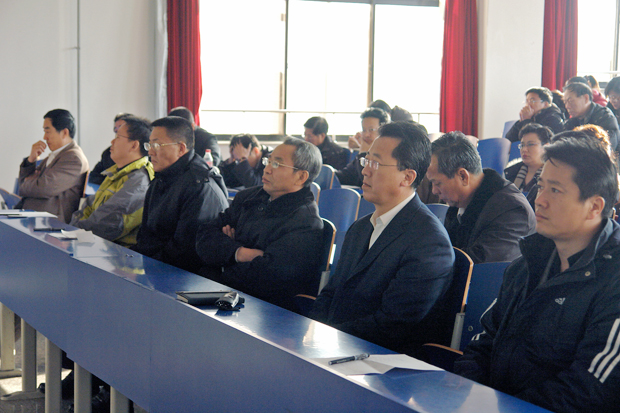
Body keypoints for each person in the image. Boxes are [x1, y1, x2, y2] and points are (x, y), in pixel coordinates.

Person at [454, 134, 620, 413]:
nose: (539, 200)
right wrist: (472, 395)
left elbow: (589, 390)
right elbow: (484, 342)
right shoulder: (528, 263)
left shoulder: (613, 280)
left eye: (555, 190)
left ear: (594, 206)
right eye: (541, 186)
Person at [310, 121, 455, 356]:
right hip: (335, 349)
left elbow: (391, 326)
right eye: (366, 161)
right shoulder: (359, 228)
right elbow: (330, 294)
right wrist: (311, 333)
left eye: (375, 164)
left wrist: (327, 340)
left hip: (381, 363)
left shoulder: (429, 243)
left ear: (407, 177)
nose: (365, 171)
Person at [196, 138, 324, 311]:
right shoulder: (247, 197)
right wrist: (239, 253)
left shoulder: (306, 222)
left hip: (263, 311)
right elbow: (204, 237)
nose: (267, 169)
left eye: (277, 164)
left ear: (301, 177)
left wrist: (222, 259)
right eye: (268, 161)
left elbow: (266, 279)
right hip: (220, 291)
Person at [133, 116, 228, 274]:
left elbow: (185, 253)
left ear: (181, 149)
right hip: (156, 265)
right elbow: (145, 234)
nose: (150, 151)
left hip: (187, 277)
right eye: (149, 144)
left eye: (156, 145)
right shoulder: (161, 178)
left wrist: (142, 269)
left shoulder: (199, 187)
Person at [426, 132, 536, 264]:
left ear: (463, 176)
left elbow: (479, 266)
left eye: (438, 183)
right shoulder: (459, 202)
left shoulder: (512, 210)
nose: (434, 191)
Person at [70, 115, 154, 247]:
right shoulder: (117, 172)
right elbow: (89, 206)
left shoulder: (139, 181)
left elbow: (108, 223)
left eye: (118, 137)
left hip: (118, 255)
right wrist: (74, 229)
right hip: (94, 245)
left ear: (134, 145)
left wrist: (74, 233)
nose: (112, 141)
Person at [16, 109, 89, 223]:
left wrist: (27, 183)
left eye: (48, 131)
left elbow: (43, 188)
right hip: (34, 216)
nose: (44, 137)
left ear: (64, 132)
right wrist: (31, 160)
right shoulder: (58, 154)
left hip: (50, 223)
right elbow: (25, 184)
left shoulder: (74, 158)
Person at [335, 107, 390, 186]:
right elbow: (346, 176)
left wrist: (363, 153)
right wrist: (329, 173)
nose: (366, 135)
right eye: (364, 130)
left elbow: (368, 181)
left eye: (371, 130)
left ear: (384, 131)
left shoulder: (388, 157)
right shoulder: (364, 151)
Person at [504, 123, 553, 210]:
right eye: (522, 145)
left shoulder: (552, 175)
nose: (524, 149)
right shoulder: (511, 172)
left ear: (546, 147)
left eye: (530, 144)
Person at [563, 82, 620, 153]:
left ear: (586, 98)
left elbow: (606, 149)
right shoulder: (573, 121)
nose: (567, 106)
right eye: (565, 102)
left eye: (570, 101)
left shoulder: (604, 117)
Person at [88, 113, 133, 185]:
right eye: (115, 128)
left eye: (121, 127)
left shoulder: (140, 155)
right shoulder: (108, 153)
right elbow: (93, 176)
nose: (117, 130)